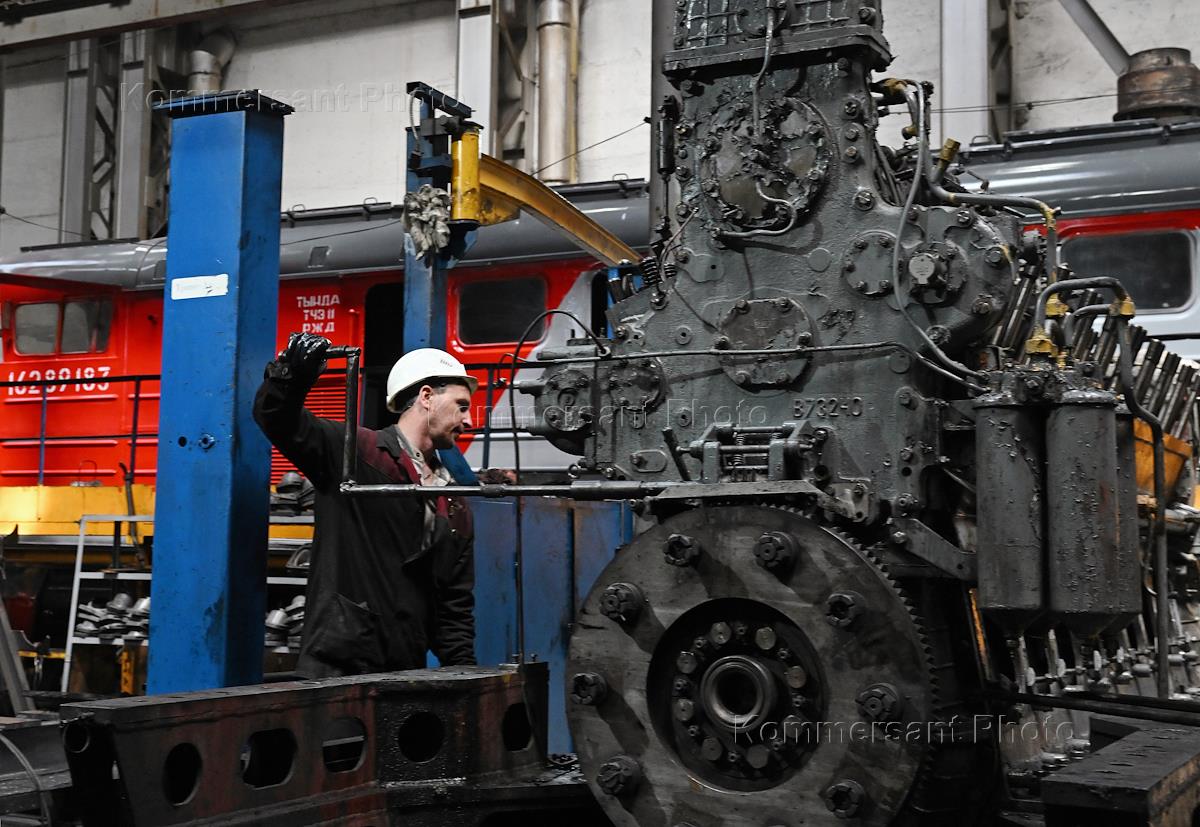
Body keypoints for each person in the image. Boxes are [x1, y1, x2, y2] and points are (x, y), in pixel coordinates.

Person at [253, 332, 477, 677]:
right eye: (462, 405)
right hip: (336, 668)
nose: (469, 420)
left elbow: (454, 606)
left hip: (404, 672)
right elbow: (277, 419)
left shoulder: (455, 503)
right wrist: (289, 376)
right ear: (427, 397)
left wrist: (466, 677)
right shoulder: (355, 453)